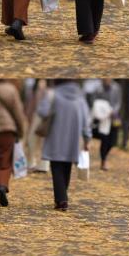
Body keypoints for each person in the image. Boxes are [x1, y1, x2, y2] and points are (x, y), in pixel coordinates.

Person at [38, 80, 91, 211]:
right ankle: (61, 198)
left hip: (55, 137)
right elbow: (86, 120)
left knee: (56, 168)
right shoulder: (80, 98)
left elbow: (42, 111)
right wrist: (87, 138)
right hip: (73, 140)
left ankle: (62, 200)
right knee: (66, 167)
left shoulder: (53, 94)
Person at [92, 79, 122, 171]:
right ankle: (103, 161)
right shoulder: (98, 88)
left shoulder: (116, 87)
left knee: (113, 142)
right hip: (103, 119)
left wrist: (113, 111)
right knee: (104, 139)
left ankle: (104, 157)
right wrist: (102, 113)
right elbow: (95, 102)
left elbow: (118, 102)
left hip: (114, 117)